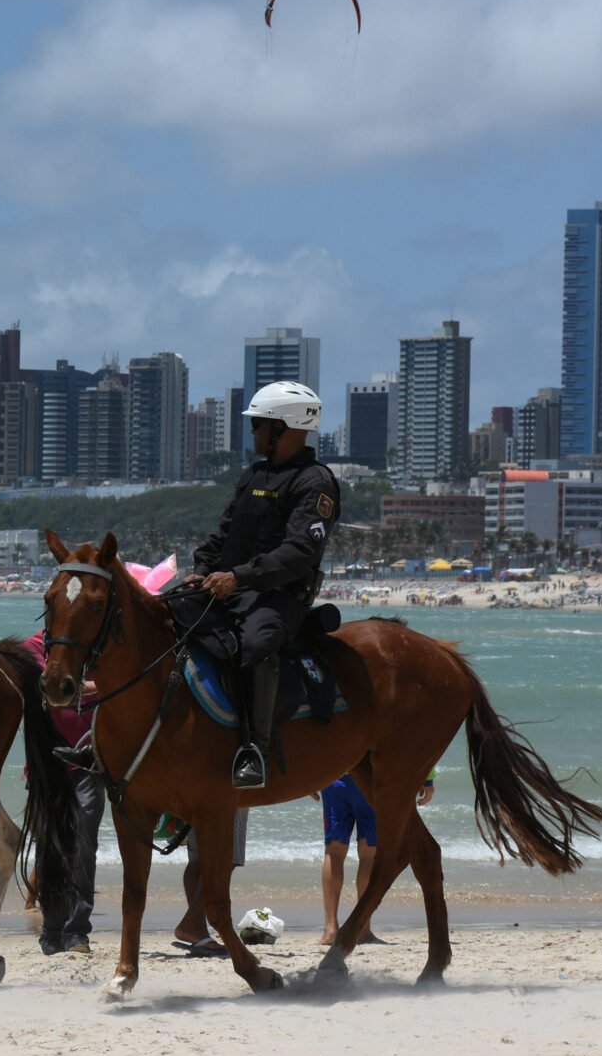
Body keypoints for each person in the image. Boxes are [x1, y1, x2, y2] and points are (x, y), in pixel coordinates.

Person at [182, 380, 339, 789]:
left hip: (278, 597)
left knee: (254, 645)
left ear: (283, 427)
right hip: (225, 585)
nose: (252, 432)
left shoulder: (315, 482)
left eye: (258, 425)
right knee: (162, 611)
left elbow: (298, 552)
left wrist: (239, 577)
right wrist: (202, 567)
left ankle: (255, 750)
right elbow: (225, 535)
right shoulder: (254, 475)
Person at [317, 770, 436, 946]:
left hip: (334, 776)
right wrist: (426, 778)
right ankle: (362, 929)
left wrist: (311, 778)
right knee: (369, 854)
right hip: (370, 779)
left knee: (333, 852)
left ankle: (330, 929)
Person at [36, 674, 104, 956]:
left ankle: (76, 931)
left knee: (84, 848)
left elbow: (117, 679)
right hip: (47, 768)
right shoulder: (34, 649)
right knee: (49, 851)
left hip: (89, 765)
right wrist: (86, 689)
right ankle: (51, 929)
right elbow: (47, 687)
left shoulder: (93, 654)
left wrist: (81, 689)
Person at [174, 810, 250, 956]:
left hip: (193, 792)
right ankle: (191, 925)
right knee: (227, 857)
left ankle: (197, 932)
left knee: (198, 861)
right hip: (226, 792)